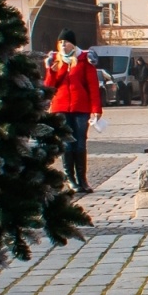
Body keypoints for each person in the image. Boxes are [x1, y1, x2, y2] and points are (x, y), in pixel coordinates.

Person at [43, 29, 102, 194]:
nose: (63, 45)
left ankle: (82, 180)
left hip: (81, 108)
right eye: (60, 42)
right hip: (60, 108)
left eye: (66, 42)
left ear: (73, 44)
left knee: (80, 143)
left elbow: (93, 87)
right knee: (67, 144)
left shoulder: (84, 60)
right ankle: (71, 179)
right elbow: (49, 87)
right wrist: (52, 70)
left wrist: (96, 109)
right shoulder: (55, 60)